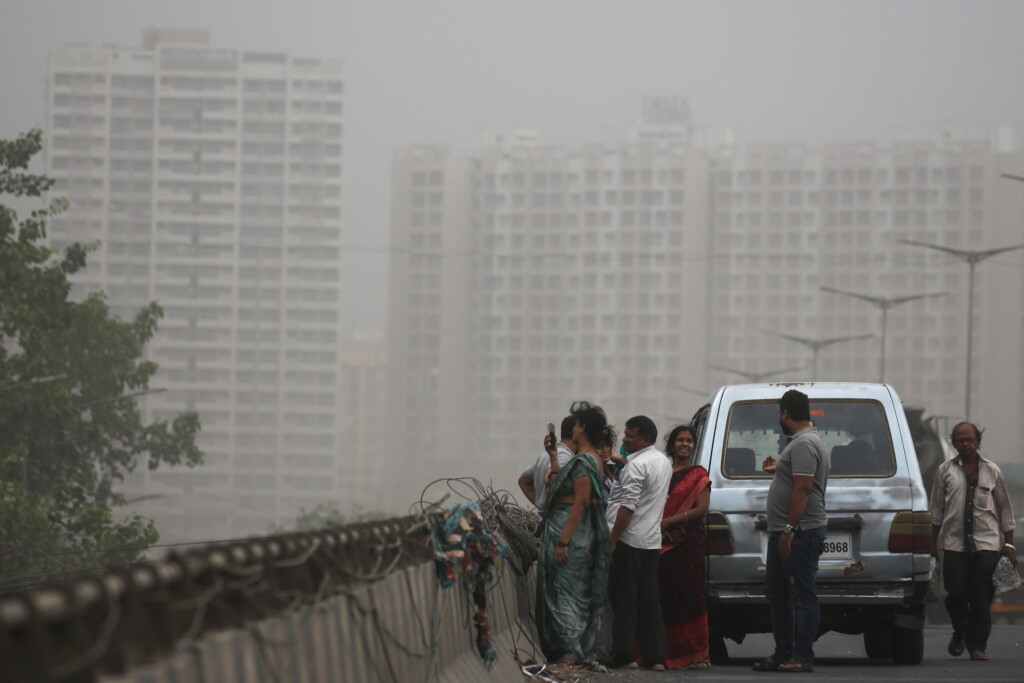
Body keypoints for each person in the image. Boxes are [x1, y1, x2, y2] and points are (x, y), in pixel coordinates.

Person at [753, 389, 828, 674]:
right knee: (778, 593)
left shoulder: (805, 443)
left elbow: (804, 487)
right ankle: (783, 652)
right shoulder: (799, 443)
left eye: (779, 413)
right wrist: (779, 468)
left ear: (785, 413)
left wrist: (789, 529)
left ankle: (802, 656)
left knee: (803, 593)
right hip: (785, 531)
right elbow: (798, 478)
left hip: (801, 532)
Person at [930, 421, 1016, 662]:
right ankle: (961, 631)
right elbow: (936, 511)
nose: (965, 444)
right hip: (953, 544)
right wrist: (932, 546)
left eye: (970, 439)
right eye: (960, 440)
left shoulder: (993, 471)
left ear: (978, 442)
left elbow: (1005, 511)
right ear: (954, 444)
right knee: (955, 594)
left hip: (986, 545)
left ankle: (977, 646)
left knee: (981, 596)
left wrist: (1008, 545)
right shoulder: (945, 471)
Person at [535, 401, 614, 665]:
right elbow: (561, 482)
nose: (575, 427)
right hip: (568, 532)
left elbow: (580, 502)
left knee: (567, 593)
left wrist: (563, 542)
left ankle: (572, 652)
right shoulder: (586, 459)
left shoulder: (586, 460)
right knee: (563, 591)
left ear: (582, 427)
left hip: (572, 536)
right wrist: (553, 456)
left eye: (577, 423)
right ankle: (569, 650)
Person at [605, 415, 672, 671]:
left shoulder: (635, 466)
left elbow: (627, 507)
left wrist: (612, 540)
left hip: (629, 539)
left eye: (630, 435)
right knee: (650, 600)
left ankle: (625, 655)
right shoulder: (663, 462)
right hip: (651, 541)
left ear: (645, 438)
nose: (624, 439)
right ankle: (655, 658)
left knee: (624, 598)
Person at [658, 424, 712, 670]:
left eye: (689, 441)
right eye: (680, 440)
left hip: (688, 543)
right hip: (662, 541)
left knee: (690, 595)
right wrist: (662, 526)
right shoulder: (662, 472)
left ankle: (697, 653)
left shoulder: (698, 474)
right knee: (666, 595)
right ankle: (667, 652)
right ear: (671, 445)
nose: (685, 444)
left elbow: (701, 509)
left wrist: (670, 522)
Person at [519, 415, 576, 515]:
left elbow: (523, 481)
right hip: (554, 520)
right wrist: (546, 508)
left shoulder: (544, 455)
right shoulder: (564, 456)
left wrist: (540, 505)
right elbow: (551, 481)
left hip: (544, 520)